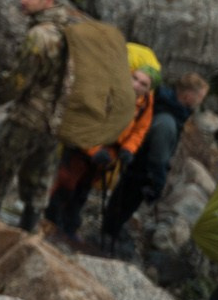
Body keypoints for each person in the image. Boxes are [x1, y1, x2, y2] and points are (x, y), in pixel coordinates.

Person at [0, 0, 78, 228]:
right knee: (38, 180)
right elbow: (48, 77)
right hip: (55, 121)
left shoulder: (40, 36)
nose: (23, 1)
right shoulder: (68, 32)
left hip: (28, 117)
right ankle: (28, 233)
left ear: (47, 0)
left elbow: (20, 82)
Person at [47, 50, 155, 244]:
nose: (136, 85)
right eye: (135, 78)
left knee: (83, 189)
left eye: (143, 84)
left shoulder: (146, 104)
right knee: (66, 184)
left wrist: (128, 150)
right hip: (84, 145)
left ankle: (69, 227)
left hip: (108, 152)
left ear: (149, 89)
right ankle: (51, 223)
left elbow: (140, 129)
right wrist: (94, 150)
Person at [103, 70, 210, 253]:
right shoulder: (167, 120)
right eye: (200, 97)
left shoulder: (169, 109)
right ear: (187, 96)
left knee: (123, 203)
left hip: (139, 167)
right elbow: (158, 157)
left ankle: (110, 231)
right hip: (140, 171)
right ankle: (106, 237)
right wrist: (157, 183)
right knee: (124, 203)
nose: (200, 101)